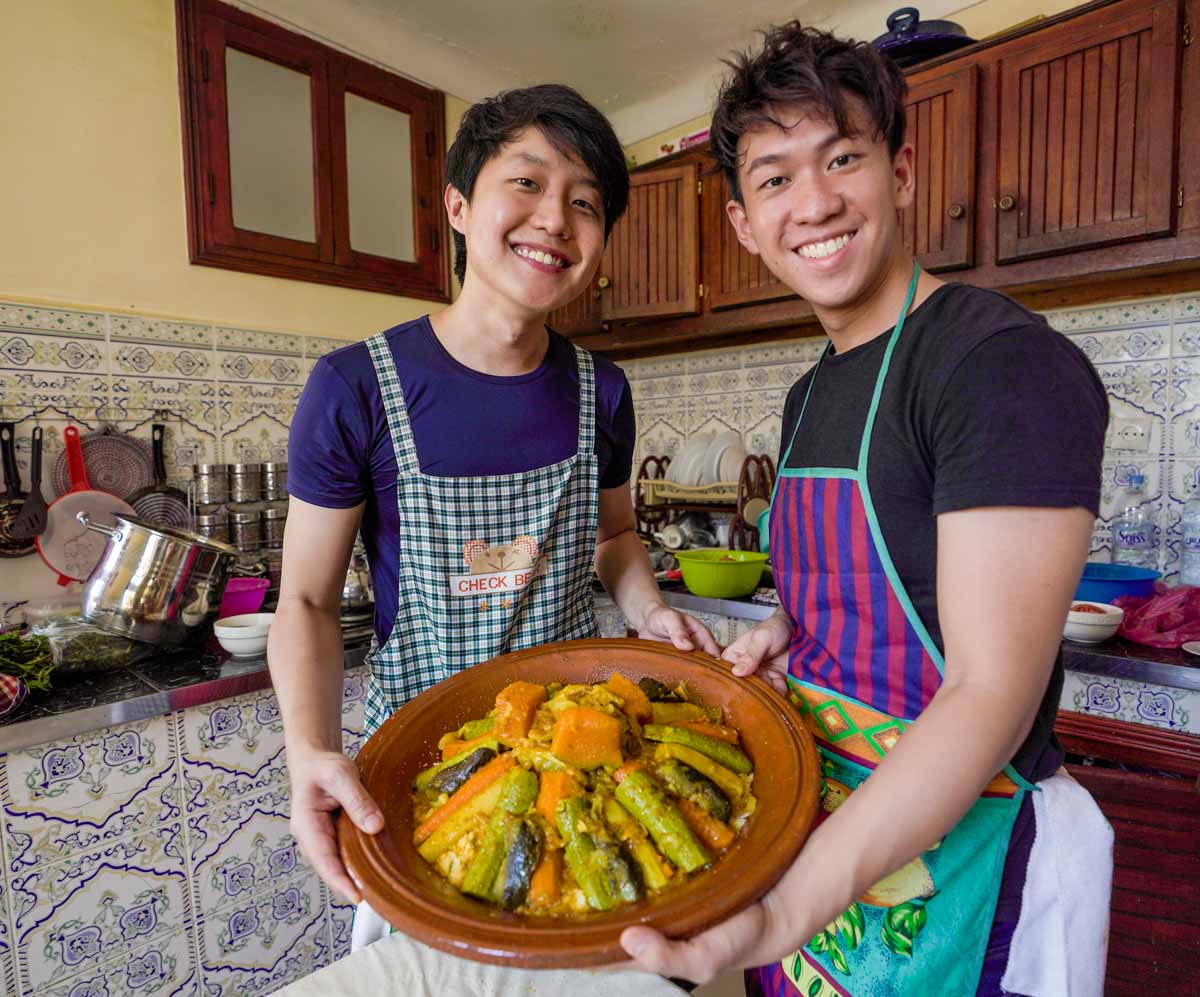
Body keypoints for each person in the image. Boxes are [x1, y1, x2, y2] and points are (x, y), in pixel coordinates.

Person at [620, 24, 1113, 997]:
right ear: (745, 225)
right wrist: (787, 636)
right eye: (775, 180)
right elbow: (865, 590)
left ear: (903, 172)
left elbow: (988, 692)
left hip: (976, 873)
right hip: (831, 842)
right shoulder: (812, 395)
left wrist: (784, 908)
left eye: (843, 157)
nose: (815, 202)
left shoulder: (995, 365)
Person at [269, 83, 718, 951]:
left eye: (585, 203)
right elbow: (308, 603)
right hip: (425, 775)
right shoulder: (357, 386)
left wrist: (650, 610)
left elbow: (615, 539)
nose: (555, 218)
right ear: (459, 205)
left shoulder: (604, 391)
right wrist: (307, 750)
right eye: (528, 182)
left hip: (583, 767)